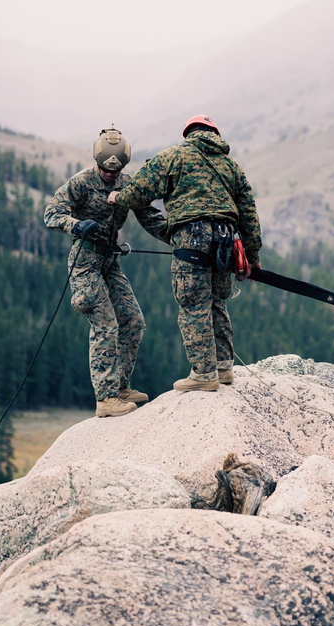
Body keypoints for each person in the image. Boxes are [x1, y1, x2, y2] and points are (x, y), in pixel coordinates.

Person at [108, 114, 262, 392]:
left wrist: (118, 197)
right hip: (226, 241)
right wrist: (253, 256)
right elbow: (249, 214)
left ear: (188, 133)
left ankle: (203, 374)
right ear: (215, 133)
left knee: (193, 304)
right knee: (217, 301)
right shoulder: (232, 166)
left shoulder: (173, 156)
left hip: (191, 237)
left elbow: (140, 192)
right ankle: (224, 367)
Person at [44, 127, 166, 418]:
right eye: (105, 170)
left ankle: (121, 386)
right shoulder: (81, 182)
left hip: (110, 262)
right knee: (106, 326)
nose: (110, 176)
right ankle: (106, 398)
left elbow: (149, 217)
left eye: (116, 171)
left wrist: (180, 238)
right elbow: (51, 214)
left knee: (133, 321)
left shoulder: (127, 184)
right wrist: (77, 225)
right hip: (85, 263)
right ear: (97, 163)